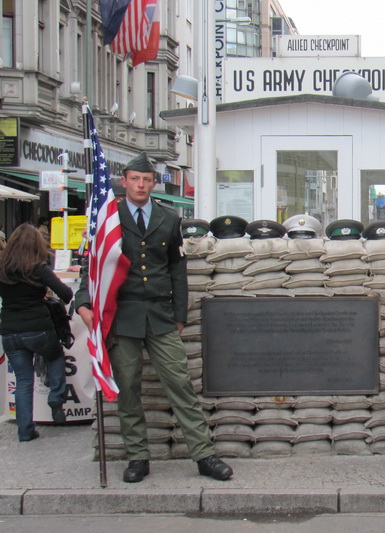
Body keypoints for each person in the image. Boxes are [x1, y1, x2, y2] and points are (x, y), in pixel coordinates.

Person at [75, 152, 233, 483]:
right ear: (124, 181)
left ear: (153, 183)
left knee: (179, 382)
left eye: (147, 180)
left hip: (161, 314)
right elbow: (93, 265)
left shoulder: (167, 217)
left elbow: (176, 266)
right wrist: (83, 302)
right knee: (129, 387)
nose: (141, 185)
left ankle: (204, 455)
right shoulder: (110, 217)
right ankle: (138, 458)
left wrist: (179, 312)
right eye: (135, 179)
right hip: (123, 314)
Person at [0, 223, 72, 442]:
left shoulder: (2, 269)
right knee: (55, 355)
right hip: (39, 329)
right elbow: (66, 293)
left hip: (10, 332)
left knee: (23, 381)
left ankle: (25, 431)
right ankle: (56, 397)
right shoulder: (38, 269)